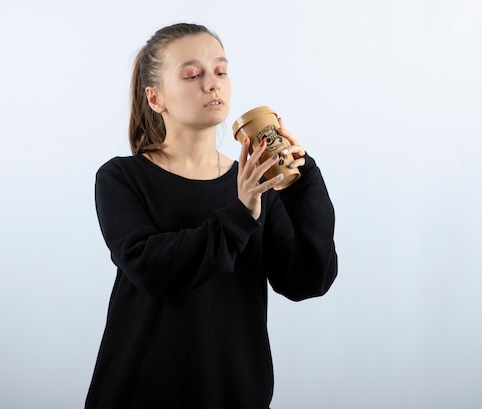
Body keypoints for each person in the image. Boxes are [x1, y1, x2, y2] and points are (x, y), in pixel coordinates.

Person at [85, 22, 338, 409]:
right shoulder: (121, 177)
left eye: (221, 71)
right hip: (139, 392)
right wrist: (239, 215)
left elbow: (306, 281)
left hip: (233, 392)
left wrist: (302, 183)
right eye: (192, 74)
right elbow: (150, 266)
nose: (212, 84)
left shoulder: (254, 184)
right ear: (155, 98)